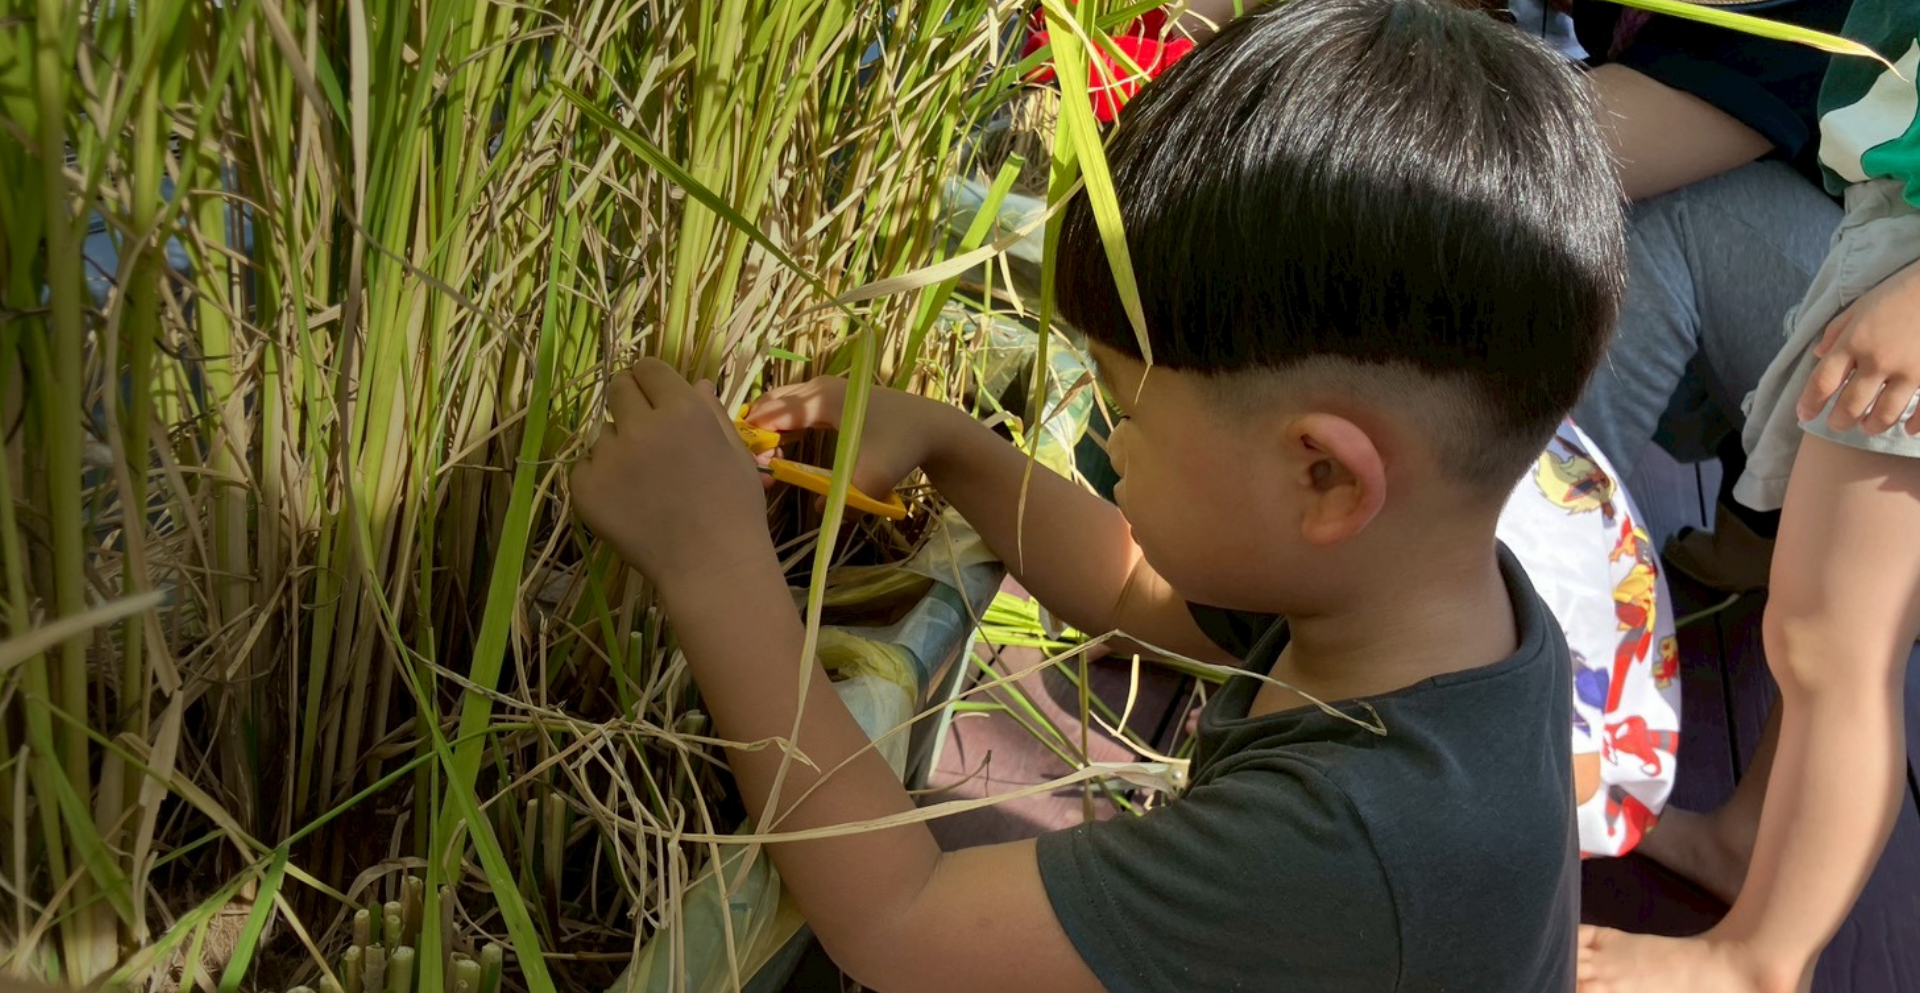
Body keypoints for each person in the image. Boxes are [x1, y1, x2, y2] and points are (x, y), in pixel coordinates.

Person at [569, 1, 1627, 989]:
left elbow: (902, 920)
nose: (1110, 439)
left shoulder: (1349, 845)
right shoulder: (1417, 604)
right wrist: (952, 442)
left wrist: (711, 566)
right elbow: (1133, 586)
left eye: (1129, 408)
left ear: (1324, 476)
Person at [1580, 2, 1920, 990]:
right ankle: (1742, 840)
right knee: (1816, 620)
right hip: (1883, 225)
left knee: (1832, 648)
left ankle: (1762, 958)